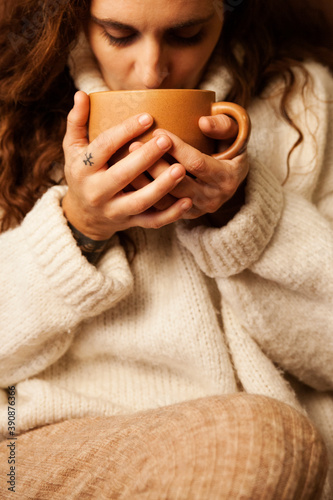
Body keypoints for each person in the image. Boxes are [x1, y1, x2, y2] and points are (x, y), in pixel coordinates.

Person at [0, 0, 332, 498]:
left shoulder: (303, 104)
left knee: (267, 440)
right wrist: (78, 225)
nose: (152, 73)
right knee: (255, 441)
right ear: (75, 18)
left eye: (186, 35)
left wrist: (242, 214)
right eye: (119, 34)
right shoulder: (12, 104)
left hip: (267, 453)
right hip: (38, 443)